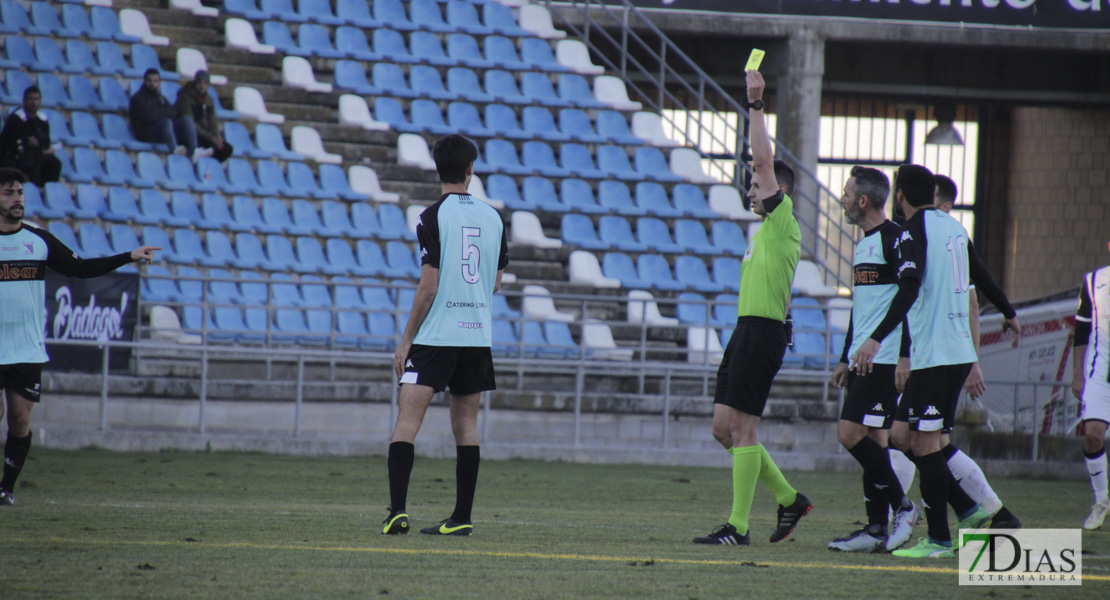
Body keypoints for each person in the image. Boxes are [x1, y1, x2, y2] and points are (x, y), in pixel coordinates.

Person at [693, 70, 811, 546]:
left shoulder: (782, 219)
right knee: (724, 429)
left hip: (761, 333)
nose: (750, 191)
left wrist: (756, 103)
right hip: (748, 330)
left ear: (774, 190)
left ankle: (738, 528)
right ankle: (789, 498)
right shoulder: (763, 232)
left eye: (755, 186)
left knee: (743, 428)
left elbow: (764, 160)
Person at [0, 168, 159, 506]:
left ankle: (6, 488)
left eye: (20, 192)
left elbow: (80, 268)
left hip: (26, 348)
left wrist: (128, 256)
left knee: (20, 419)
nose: (17, 199)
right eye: (8, 193)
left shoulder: (38, 240)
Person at [855, 164, 984, 558]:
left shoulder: (914, 235)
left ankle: (940, 532)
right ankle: (967, 507)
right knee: (905, 438)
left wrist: (892, 349)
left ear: (899, 195)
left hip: (933, 356)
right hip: (929, 355)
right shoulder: (944, 233)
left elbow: (922, 296)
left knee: (928, 443)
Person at [383, 134, 508, 537]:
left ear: (438, 170)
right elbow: (496, 282)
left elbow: (428, 286)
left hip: (437, 334)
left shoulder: (430, 216)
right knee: (466, 427)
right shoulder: (494, 218)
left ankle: (398, 512)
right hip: (475, 337)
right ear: (471, 170)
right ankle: (461, 517)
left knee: (407, 422)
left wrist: (406, 340)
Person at [828, 166, 920, 553]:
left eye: (847, 193)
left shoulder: (895, 238)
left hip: (880, 359)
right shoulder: (864, 243)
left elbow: (910, 295)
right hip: (862, 358)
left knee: (849, 434)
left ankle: (904, 505)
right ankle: (875, 529)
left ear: (863, 200)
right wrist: (844, 355)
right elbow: (861, 308)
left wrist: (890, 348)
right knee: (876, 441)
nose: (842, 199)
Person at [931, 173, 1023, 529]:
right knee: (920, 440)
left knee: (925, 440)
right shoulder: (927, 236)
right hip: (930, 355)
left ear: (945, 205)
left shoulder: (951, 241)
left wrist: (972, 363)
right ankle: (984, 512)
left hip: (941, 358)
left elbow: (972, 300)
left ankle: (990, 512)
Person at [1072, 252, 1110, 530]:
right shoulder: (1094, 280)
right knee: (1093, 436)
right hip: (1100, 373)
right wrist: (1077, 376)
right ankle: (1102, 501)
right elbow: (1081, 332)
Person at [0, 87, 61, 187]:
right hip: (13, 156)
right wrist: (35, 145)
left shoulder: (42, 119)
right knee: (34, 158)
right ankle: (30, 187)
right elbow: (15, 144)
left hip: (36, 153)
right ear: (24, 100)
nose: (34, 103)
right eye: (30, 99)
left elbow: (46, 141)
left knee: (55, 163)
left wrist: (39, 146)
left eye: (36, 99)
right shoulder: (16, 118)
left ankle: (46, 190)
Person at [174, 71, 233, 163]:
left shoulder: (209, 100)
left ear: (208, 85)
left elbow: (212, 120)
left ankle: (208, 164)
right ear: (195, 83)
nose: (202, 86)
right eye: (199, 83)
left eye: (205, 83)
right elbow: (190, 123)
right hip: (188, 134)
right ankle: (195, 158)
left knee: (226, 148)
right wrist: (210, 137)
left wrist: (216, 136)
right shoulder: (185, 97)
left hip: (205, 135)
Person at [129, 68, 182, 154]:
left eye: (155, 81)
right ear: (144, 81)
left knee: (185, 121)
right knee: (166, 122)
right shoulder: (138, 98)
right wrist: (163, 111)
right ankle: (174, 149)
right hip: (145, 134)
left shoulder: (160, 97)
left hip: (159, 130)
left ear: (159, 83)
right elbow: (150, 116)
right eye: (149, 81)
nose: (152, 84)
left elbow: (174, 112)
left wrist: (158, 111)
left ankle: (193, 151)